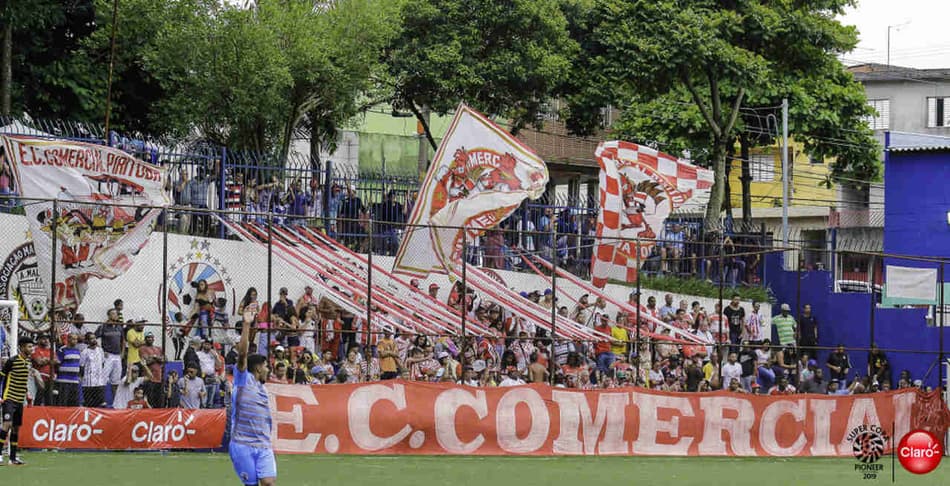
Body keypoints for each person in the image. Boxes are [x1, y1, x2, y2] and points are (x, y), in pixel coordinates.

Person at [230, 309, 277, 486]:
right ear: (258, 368)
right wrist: (247, 324)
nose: (268, 370)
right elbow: (242, 355)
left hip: (263, 444)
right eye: (266, 366)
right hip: (242, 444)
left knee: (269, 483)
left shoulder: (262, 389)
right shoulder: (243, 380)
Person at [0, 337, 34, 465]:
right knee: (6, 424)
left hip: (20, 400)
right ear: (22, 347)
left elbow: (22, 380)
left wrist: (27, 393)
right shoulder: (12, 361)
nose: (32, 349)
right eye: (29, 346)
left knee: (16, 428)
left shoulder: (28, 362)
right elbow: (1, 377)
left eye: (32, 346)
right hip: (9, 397)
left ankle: (12, 458)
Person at [79, 332, 107, 407]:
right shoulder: (84, 352)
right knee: (89, 405)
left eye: (94, 338)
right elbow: (81, 366)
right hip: (88, 383)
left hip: (99, 382)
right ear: (87, 341)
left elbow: (102, 363)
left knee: (101, 404)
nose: (94, 340)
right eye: (91, 338)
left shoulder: (100, 350)